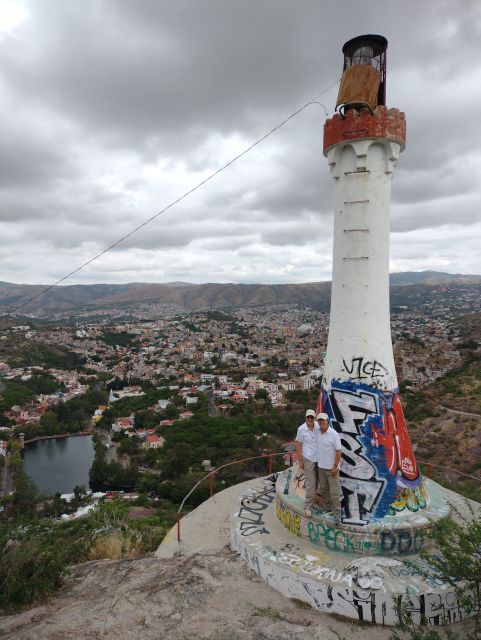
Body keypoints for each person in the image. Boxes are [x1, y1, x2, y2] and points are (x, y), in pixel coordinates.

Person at [316, 412, 343, 526]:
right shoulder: (317, 433)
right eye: (320, 420)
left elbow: (338, 451)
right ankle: (327, 507)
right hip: (321, 467)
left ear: (328, 421)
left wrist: (335, 466)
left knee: (334, 493)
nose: (321, 422)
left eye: (323, 420)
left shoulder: (333, 434)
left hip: (332, 468)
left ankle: (337, 514)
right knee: (324, 489)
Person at [295, 409, 320, 516]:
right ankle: (308, 506)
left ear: (314, 418)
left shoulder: (318, 426)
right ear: (305, 418)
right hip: (308, 458)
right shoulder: (301, 429)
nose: (310, 419)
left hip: (319, 459)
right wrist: (300, 460)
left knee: (319, 482)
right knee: (311, 484)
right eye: (308, 417)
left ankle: (315, 501)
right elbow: (297, 444)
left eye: (312, 417)